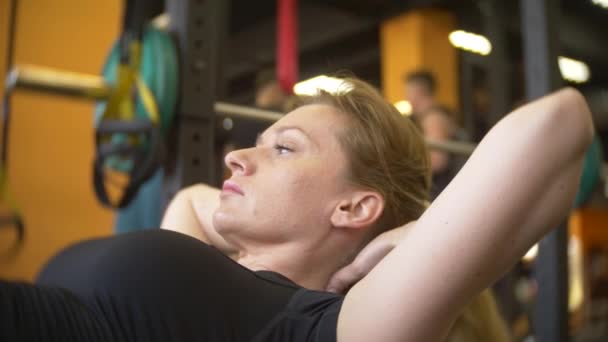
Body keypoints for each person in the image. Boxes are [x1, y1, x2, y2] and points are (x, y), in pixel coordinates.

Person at [0, 77, 594, 342]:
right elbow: (191, 201)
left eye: (283, 149)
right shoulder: (212, 262)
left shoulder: (319, 327)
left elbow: (561, 123)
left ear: (355, 206)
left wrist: (409, 237)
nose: (235, 157)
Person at [403, 70, 463, 199]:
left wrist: (404, 169)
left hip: (442, 191)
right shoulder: (431, 116)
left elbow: (438, 161)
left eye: (408, 92)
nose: (407, 98)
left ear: (418, 92)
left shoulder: (433, 118)